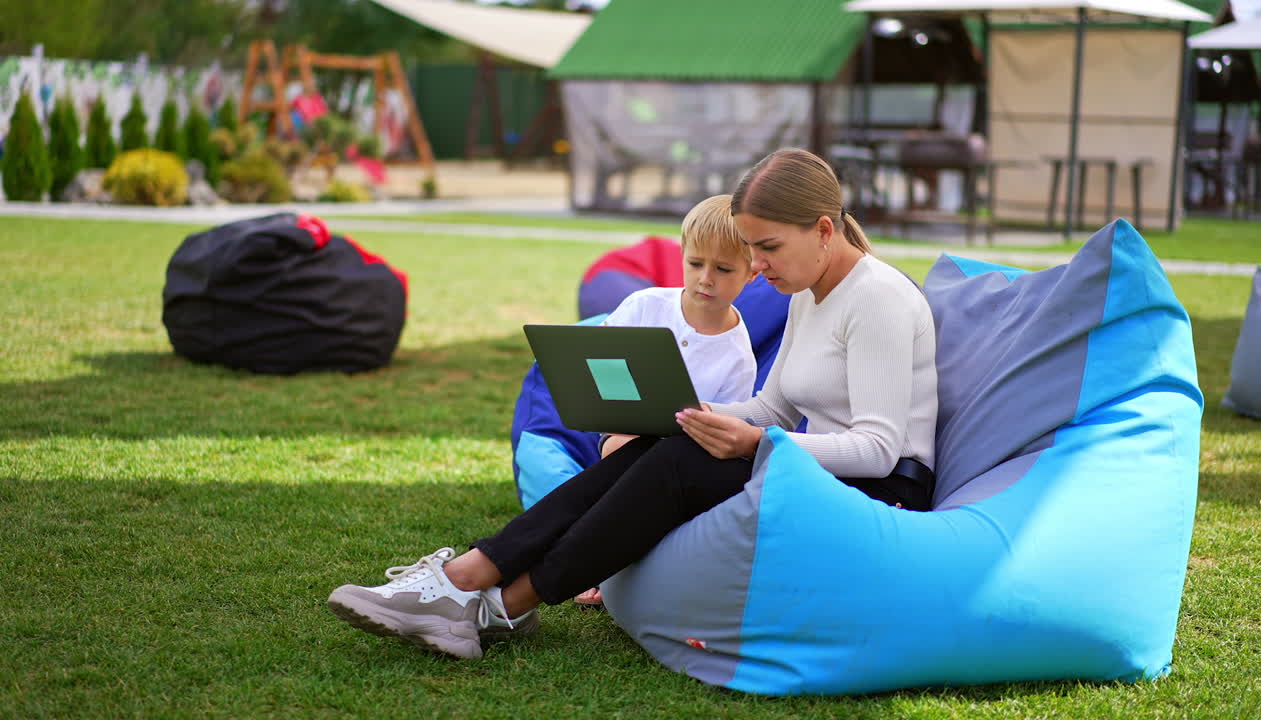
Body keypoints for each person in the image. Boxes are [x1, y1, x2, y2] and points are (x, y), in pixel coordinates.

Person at [326, 148, 939, 660]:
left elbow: (879, 448)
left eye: (767, 248)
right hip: (818, 471)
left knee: (679, 464)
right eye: (751, 248)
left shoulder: (878, 300)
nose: (756, 265)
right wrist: (688, 412)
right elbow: (774, 407)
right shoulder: (809, 292)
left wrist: (754, 442)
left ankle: (494, 604)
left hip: (880, 492)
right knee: (663, 440)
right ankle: (472, 579)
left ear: (824, 231)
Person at [577, 194, 758, 607]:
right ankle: (602, 561)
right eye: (695, 264)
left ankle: (620, 565)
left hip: (680, 460)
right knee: (624, 455)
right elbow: (598, 362)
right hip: (622, 432)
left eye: (723, 269)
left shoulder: (738, 357)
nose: (705, 279)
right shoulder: (646, 305)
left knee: (655, 475)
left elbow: (722, 437)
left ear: (751, 274)